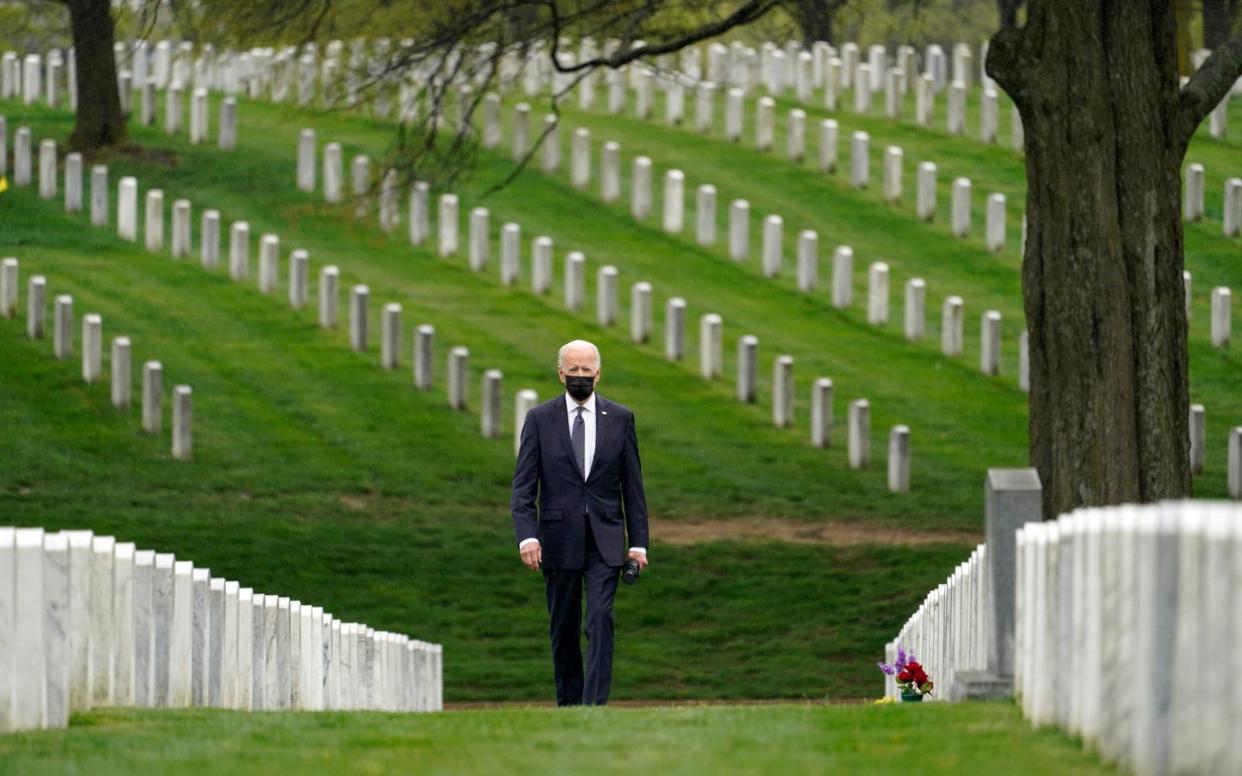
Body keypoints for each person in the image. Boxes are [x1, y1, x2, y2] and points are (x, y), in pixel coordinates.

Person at [511, 339, 650, 706]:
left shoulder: (620, 419)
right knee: (564, 627)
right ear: (560, 373)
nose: (579, 376)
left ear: (598, 373)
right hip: (557, 538)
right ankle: (570, 704)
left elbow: (632, 487)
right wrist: (527, 537)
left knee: (601, 619)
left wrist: (638, 544)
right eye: (572, 370)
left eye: (586, 370)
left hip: (605, 539)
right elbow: (524, 485)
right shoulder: (540, 419)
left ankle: (594, 706)